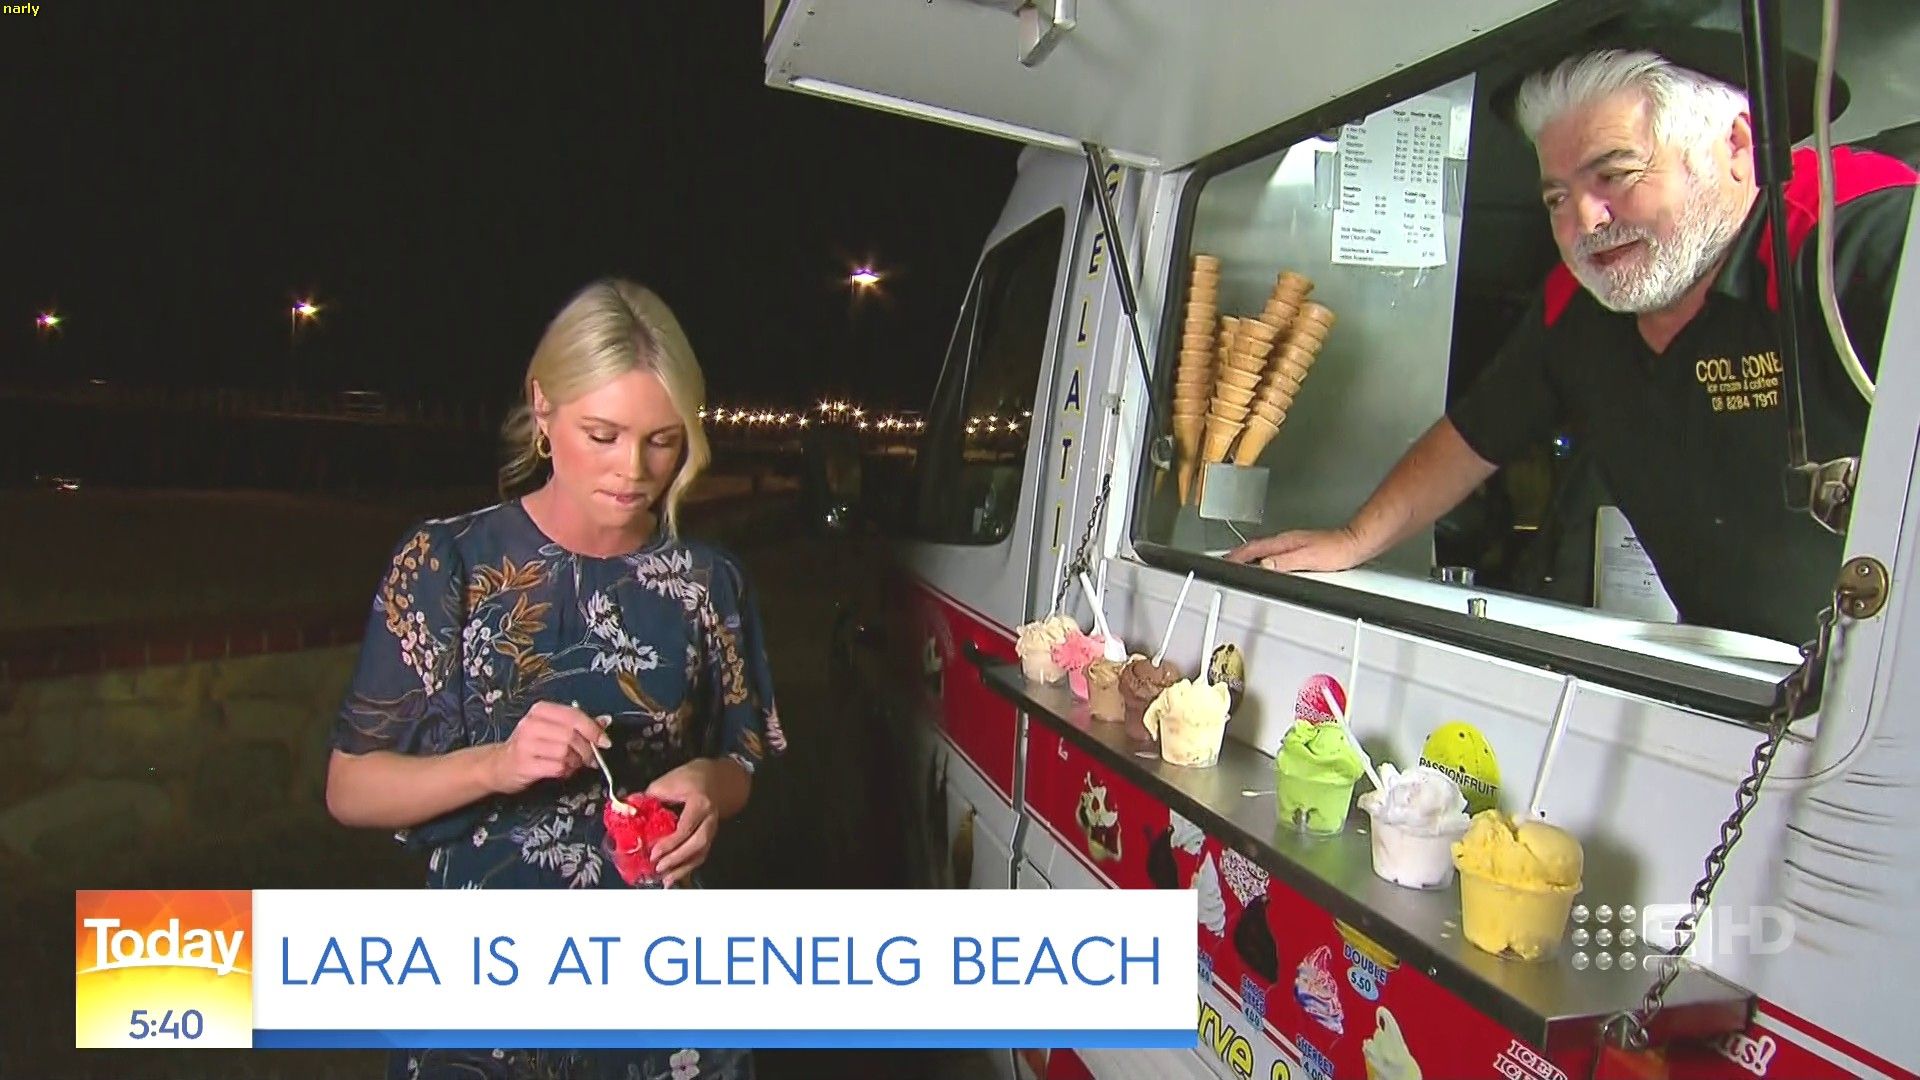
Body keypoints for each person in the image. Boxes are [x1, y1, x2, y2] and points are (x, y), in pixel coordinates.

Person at [1226, 29, 1917, 645]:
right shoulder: (1576, 308)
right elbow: (1474, 435)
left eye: (1614, 174)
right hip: (1745, 677)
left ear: (1737, 146)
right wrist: (1353, 540)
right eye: (1557, 197)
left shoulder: (1863, 238)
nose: (1586, 220)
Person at [326, 279, 783, 1080]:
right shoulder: (446, 564)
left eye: (663, 441)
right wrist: (495, 764)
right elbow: (350, 789)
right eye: (602, 434)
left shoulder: (709, 583)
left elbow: (741, 759)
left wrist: (710, 787)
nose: (633, 471)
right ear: (543, 407)